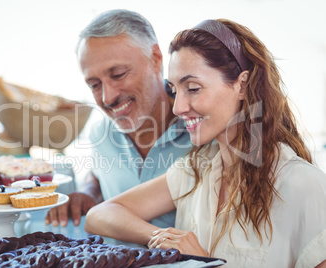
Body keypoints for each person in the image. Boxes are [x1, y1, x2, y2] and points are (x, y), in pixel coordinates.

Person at [84, 18, 326, 267]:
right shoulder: (195, 170)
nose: (178, 107)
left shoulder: (304, 186)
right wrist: (163, 237)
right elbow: (99, 216)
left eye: (193, 88)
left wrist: (204, 262)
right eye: (175, 90)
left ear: (242, 85)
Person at [44, 9, 191, 228]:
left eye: (119, 74)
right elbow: (99, 171)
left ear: (156, 59)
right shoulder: (99, 135)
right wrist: (90, 191)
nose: (107, 97)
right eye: (94, 84)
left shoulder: (202, 127)